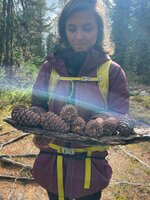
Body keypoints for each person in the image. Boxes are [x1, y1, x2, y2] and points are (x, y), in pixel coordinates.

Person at [31, 0, 129, 199]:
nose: (79, 36)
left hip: (90, 170)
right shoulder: (49, 68)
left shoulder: (112, 72)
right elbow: (38, 104)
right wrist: (40, 123)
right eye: (72, 28)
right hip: (53, 165)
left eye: (87, 28)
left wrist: (100, 121)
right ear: (63, 29)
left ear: (98, 29)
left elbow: (119, 111)